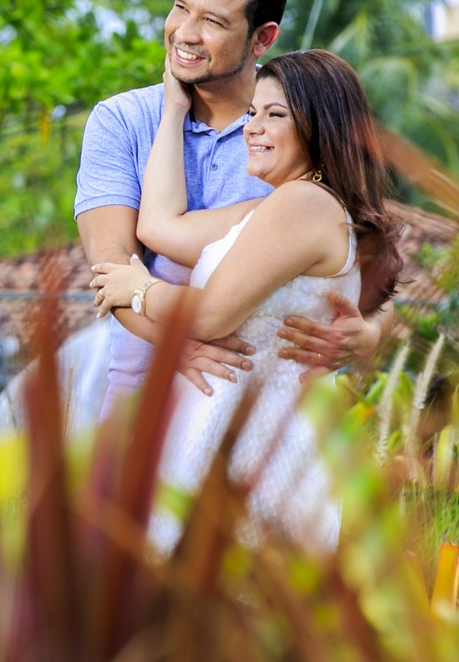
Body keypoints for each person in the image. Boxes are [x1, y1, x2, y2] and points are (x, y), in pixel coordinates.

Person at [88, 49, 403, 551]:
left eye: (275, 115)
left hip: (254, 449)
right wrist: (174, 110)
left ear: (321, 126)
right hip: (234, 435)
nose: (252, 128)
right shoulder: (279, 208)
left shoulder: (303, 205)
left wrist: (140, 290)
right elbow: (159, 226)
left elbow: (211, 316)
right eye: (253, 112)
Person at [74, 0, 383, 420]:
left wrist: (372, 332)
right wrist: (179, 347)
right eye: (181, 8)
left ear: (262, 38)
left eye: (213, 22)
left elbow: (366, 256)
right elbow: (112, 267)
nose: (185, 33)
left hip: (263, 415)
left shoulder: (292, 134)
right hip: (141, 399)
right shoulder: (122, 120)